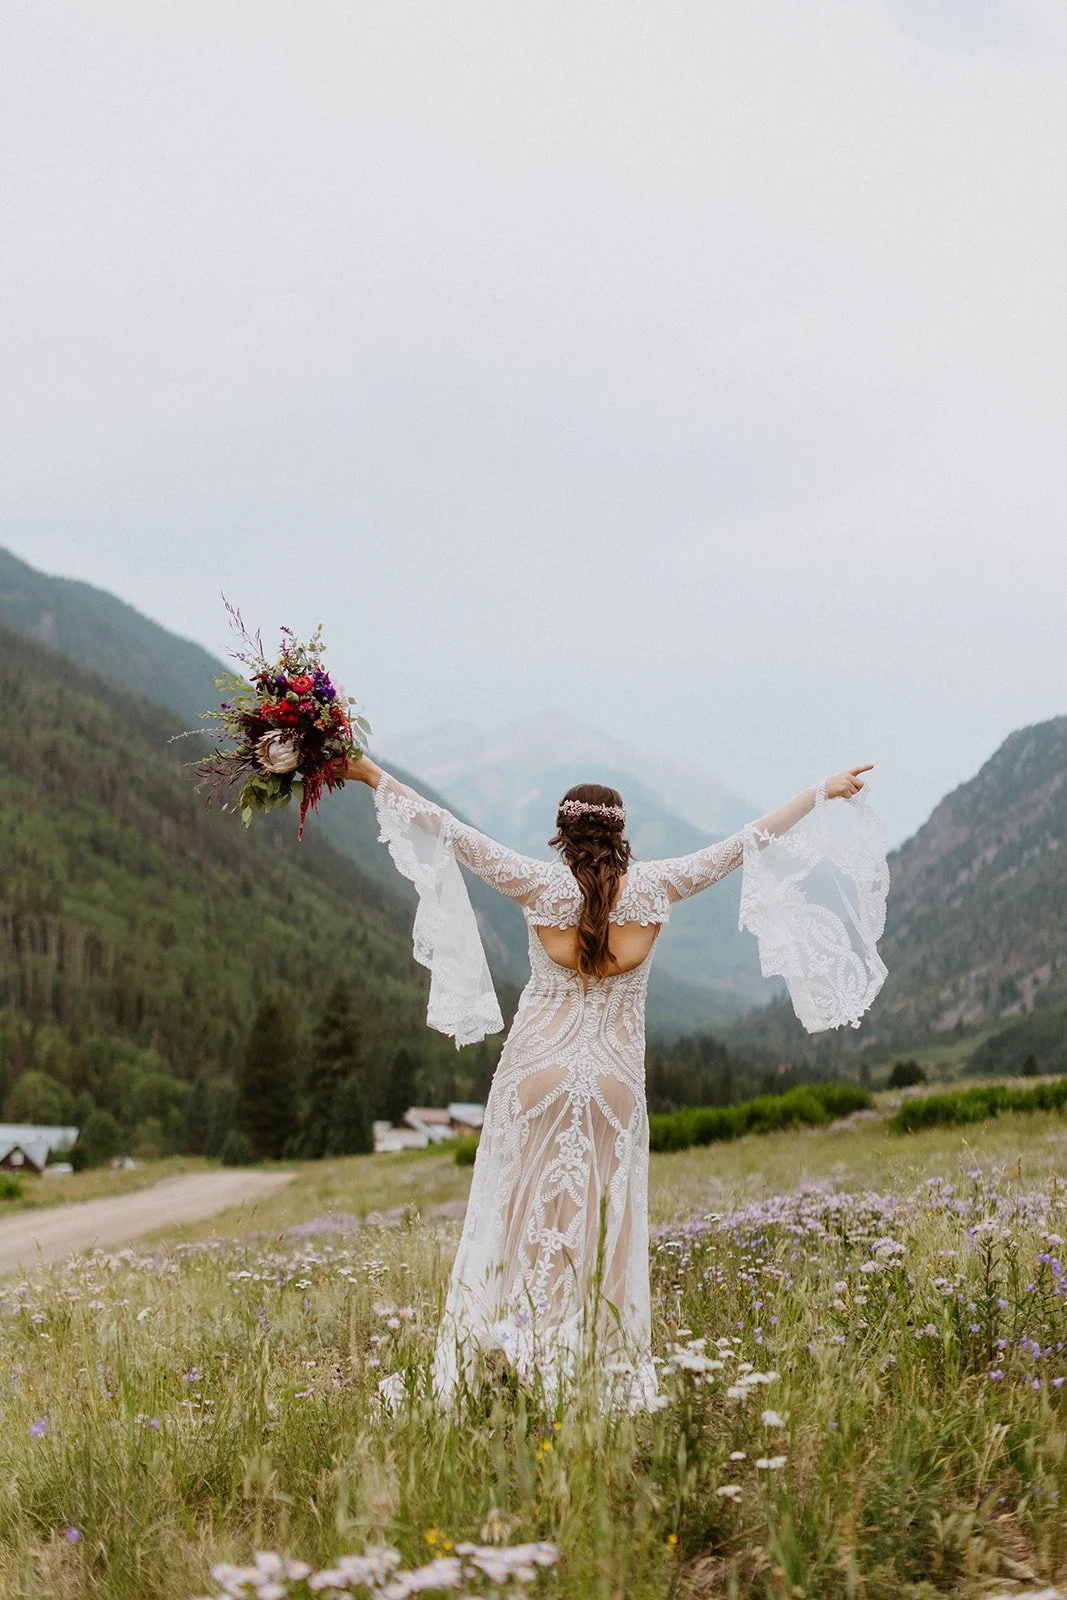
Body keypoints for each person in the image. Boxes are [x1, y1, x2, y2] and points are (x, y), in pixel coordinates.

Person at [344, 753, 886, 1407]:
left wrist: (369, 773)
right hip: (614, 1082)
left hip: (535, 1074)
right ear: (620, 831)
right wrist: (821, 790)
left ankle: (513, 1349)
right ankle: (583, 1365)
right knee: (603, 1221)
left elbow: (447, 829)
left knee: (519, 1213)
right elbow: (747, 842)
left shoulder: (535, 884)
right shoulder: (658, 886)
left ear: (562, 833)